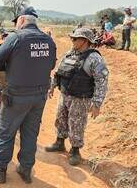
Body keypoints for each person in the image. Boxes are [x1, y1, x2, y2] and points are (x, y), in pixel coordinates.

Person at [0, 7, 57, 184]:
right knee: (30, 134)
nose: (16, 24)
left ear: (22, 21)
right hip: (39, 97)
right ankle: (25, 169)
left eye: (17, 21)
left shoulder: (16, 38)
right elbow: (50, 65)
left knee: (6, 132)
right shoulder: (49, 41)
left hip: (16, 97)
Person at [46, 27, 109, 166]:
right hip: (65, 94)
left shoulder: (94, 58)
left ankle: (75, 150)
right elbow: (59, 72)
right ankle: (59, 142)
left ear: (84, 41)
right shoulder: (69, 54)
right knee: (61, 118)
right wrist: (52, 86)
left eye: (75, 38)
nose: (72, 40)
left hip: (81, 98)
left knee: (76, 123)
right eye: (72, 38)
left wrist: (97, 104)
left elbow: (102, 81)